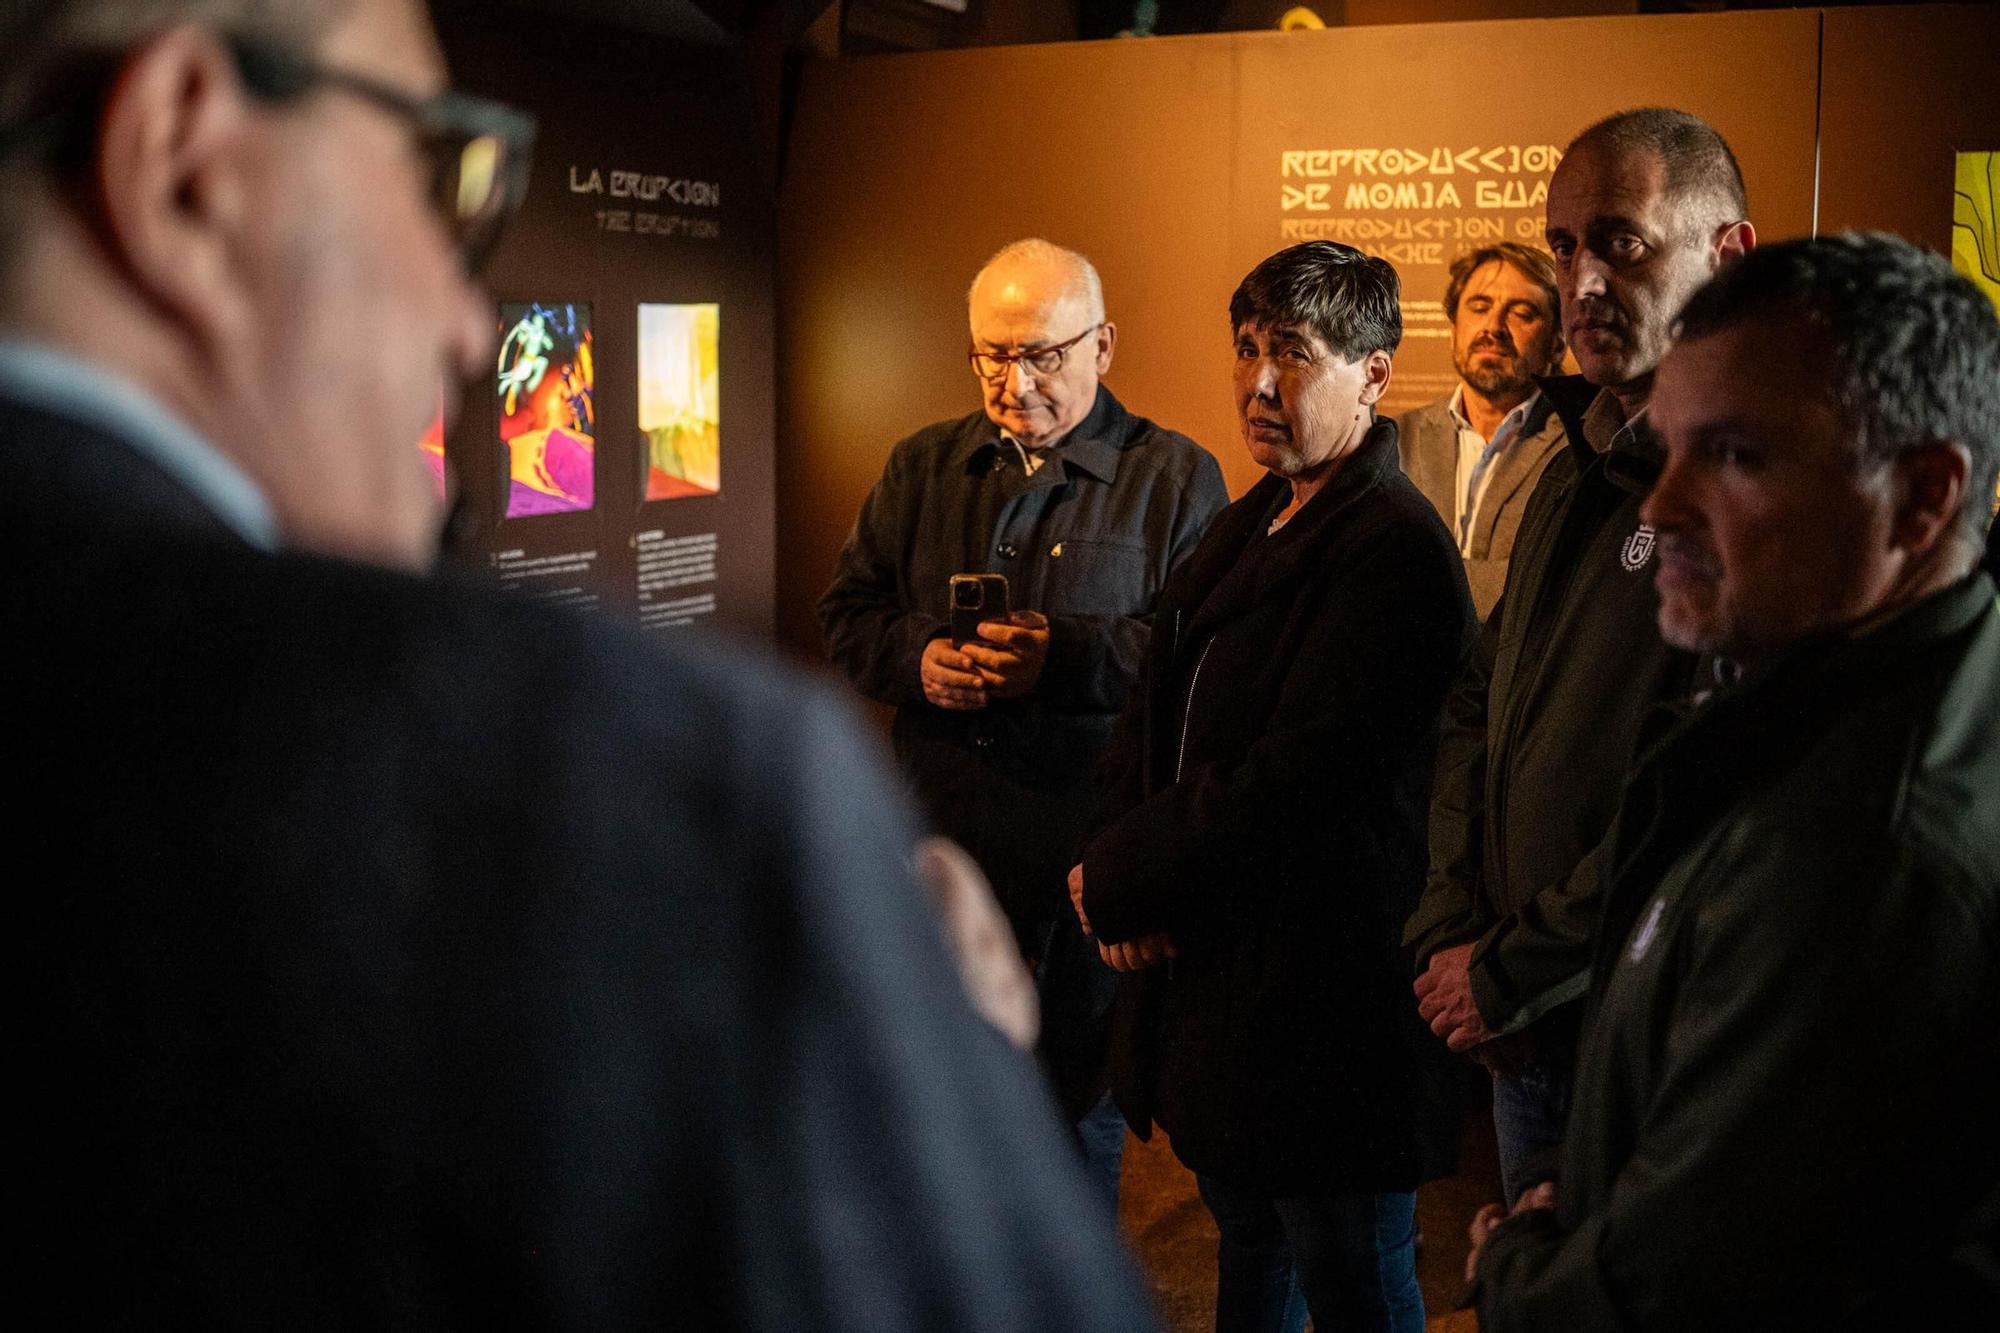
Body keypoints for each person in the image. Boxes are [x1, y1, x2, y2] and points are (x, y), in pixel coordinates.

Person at [0, 2, 1157, 1326]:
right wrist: (944, 1073)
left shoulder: (1169, 477)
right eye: (435, 172)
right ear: (183, 161)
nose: (460, 320)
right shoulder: (638, 775)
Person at [1471, 231, 2000, 1329]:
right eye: (1667, 449)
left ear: (1918, 499)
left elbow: (1677, 1295)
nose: (1658, 507)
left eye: (1735, 455)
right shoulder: (1814, 715)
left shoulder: (1863, 856)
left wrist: (1514, 1263)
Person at [1070, 240, 1476, 1333]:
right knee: (1254, 1248)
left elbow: (1291, 783)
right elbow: (1151, 721)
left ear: (1374, 375)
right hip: (1236, 1009)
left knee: (1351, 1279)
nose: (1255, 382)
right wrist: (1116, 871)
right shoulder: (1250, 517)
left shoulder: (1390, 549)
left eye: (1290, 355)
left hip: (1328, 1019)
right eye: (1246, 349)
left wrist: (1123, 876)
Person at [818, 237, 1227, 1201]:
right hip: (944, 848)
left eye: (1042, 354)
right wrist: (919, 658)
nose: (1014, 381)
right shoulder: (922, 465)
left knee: (1072, 1124)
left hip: (1087, 859)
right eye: (993, 355)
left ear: (1103, 346)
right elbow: (848, 615)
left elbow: (1200, 661)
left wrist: (1066, 657)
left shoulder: (1173, 476)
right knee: (934, 1119)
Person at [1403, 108, 1754, 1203]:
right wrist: (1456, 939)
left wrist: (1509, 969)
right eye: (1563, 246)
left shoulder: (1751, 484)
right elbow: (1477, 701)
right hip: (1522, 1031)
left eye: (1621, 242)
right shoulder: (1578, 454)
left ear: (1726, 254)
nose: (1582, 280)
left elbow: (1709, 785)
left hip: (1651, 1040)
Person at [1396, 242, 1569, 618]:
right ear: (1454, 326)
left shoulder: (1579, 447)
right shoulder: (1394, 439)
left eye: (1521, 313)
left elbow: (1550, 587)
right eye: (1479, 307)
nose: (1493, 327)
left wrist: (1409, 579)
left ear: (1558, 341)